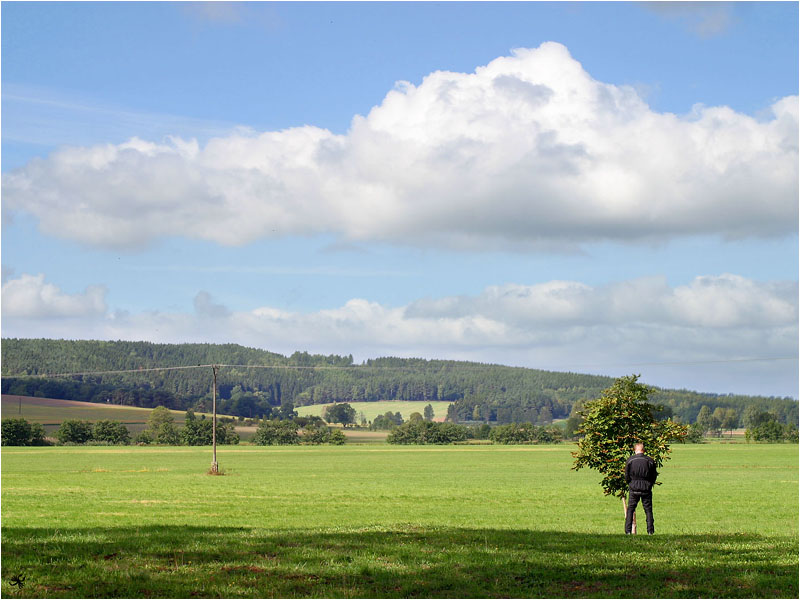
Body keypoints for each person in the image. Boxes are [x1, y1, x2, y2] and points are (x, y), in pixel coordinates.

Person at [624, 442, 658, 534]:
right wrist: (650, 484)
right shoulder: (650, 461)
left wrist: (630, 483)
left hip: (633, 487)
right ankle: (650, 531)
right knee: (648, 510)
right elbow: (654, 475)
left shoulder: (630, 460)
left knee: (630, 509)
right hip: (646, 488)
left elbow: (626, 475)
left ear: (635, 450)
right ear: (643, 450)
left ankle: (628, 531)